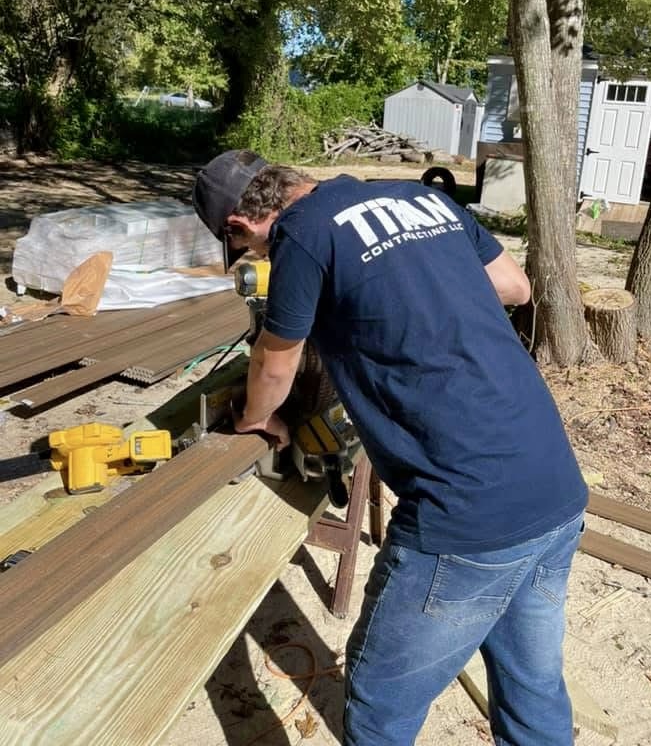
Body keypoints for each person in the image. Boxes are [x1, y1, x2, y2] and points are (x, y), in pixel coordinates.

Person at [192, 149, 588, 746]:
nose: (259, 258)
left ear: (240, 225)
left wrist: (256, 420)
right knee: (531, 686)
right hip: (554, 488)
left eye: (251, 251)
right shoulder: (422, 198)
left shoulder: (302, 234)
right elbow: (514, 286)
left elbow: (276, 365)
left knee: (379, 704)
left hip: (465, 516)